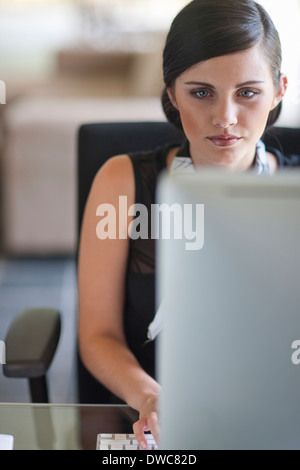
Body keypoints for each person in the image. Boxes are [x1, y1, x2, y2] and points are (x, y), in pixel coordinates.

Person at [78, 0, 299, 449]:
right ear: (172, 93)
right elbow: (97, 333)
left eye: (248, 92)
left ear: (279, 90)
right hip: (152, 422)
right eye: (201, 92)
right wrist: (149, 396)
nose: (225, 118)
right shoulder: (122, 183)